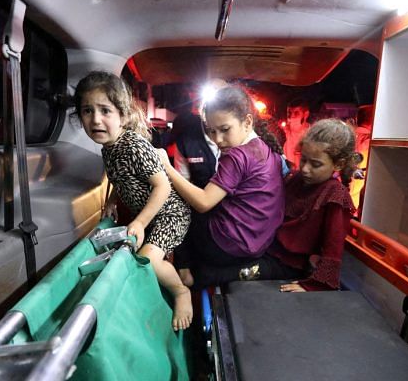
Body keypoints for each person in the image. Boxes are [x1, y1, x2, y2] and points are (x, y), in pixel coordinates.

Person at [74, 71, 192, 330]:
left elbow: (162, 187)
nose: (95, 119)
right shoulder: (109, 148)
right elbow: (119, 178)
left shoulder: (133, 145)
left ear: (123, 116)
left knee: (147, 258)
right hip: (152, 213)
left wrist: (139, 222)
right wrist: (113, 201)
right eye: (87, 111)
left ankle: (182, 292)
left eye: (105, 110)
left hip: (171, 213)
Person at [158, 85, 286, 287]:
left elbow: (203, 202)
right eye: (211, 131)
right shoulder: (265, 148)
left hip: (226, 248)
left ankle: (185, 273)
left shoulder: (237, 155)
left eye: (225, 130)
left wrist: (166, 167)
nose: (218, 139)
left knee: (179, 207)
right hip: (259, 244)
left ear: (247, 122)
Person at [267, 119, 360, 291]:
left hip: (291, 267)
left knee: (219, 273)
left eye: (316, 164)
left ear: (338, 164)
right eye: (303, 160)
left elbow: (333, 245)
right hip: (269, 252)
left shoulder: (335, 194)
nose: (305, 169)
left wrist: (314, 284)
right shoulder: (295, 179)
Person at [282, 98, 311, 169]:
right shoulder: (284, 135)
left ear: (306, 114)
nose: (291, 116)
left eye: (296, 113)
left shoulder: (312, 136)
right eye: (289, 113)